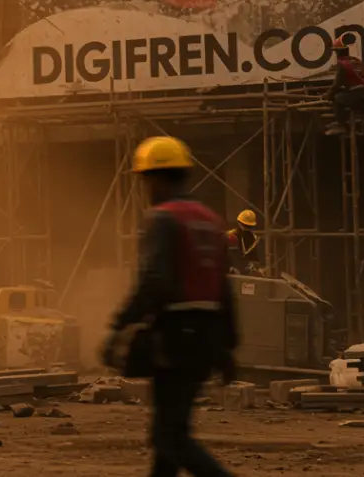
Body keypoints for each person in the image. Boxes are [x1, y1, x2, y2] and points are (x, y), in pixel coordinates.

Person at [103, 136, 237, 477]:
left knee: (169, 438)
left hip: (178, 335)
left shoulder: (163, 218)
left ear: (156, 179)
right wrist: (227, 346)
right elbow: (224, 287)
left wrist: (119, 326)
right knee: (169, 435)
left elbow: (154, 280)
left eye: (145, 181)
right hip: (207, 334)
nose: (145, 189)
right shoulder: (211, 220)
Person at [326, 36, 364, 134]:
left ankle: (342, 124)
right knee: (341, 95)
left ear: (339, 52)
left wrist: (327, 95)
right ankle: (349, 125)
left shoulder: (342, 64)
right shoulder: (357, 61)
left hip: (359, 98)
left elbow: (336, 85)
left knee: (337, 97)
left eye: (336, 52)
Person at [225, 209, 261, 275]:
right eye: (245, 225)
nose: (247, 228)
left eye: (249, 226)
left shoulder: (254, 238)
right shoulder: (231, 236)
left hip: (245, 269)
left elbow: (254, 258)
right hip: (233, 268)